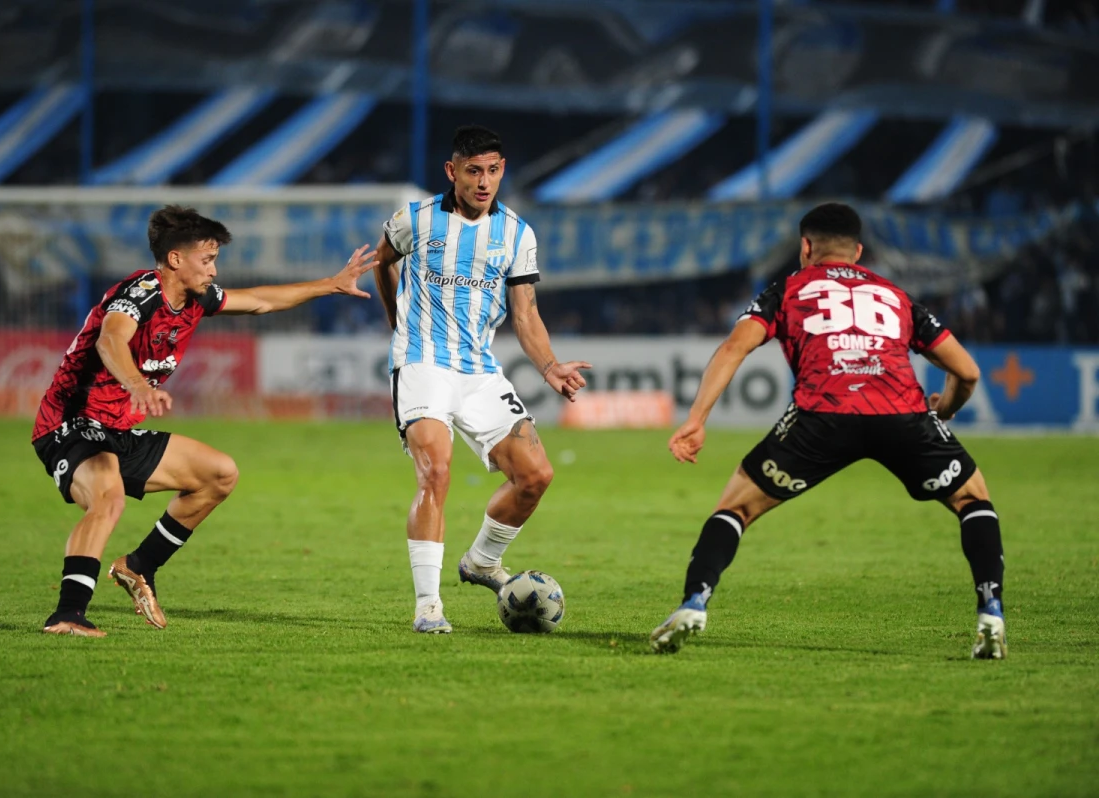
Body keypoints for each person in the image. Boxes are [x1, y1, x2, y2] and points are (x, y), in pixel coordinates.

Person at [651, 202, 1007, 659]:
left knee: (736, 508)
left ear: (804, 247)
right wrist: (946, 411)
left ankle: (695, 602)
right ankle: (990, 611)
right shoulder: (895, 296)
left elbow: (732, 349)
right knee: (972, 500)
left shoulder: (788, 290)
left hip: (822, 416)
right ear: (858, 251)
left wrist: (697, 420)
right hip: (901, 415)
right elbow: (968, 371)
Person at [33, 205, 377, 637]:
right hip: (70, 424)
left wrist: (331, 284)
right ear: (176, 259)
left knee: (219, 474)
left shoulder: (198, 298)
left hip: (117, 429)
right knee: (109, 497)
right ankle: (68, 613)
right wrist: (139, 385)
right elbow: (110, 339)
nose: (214, 270)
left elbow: (261, 301)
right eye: (208, 259)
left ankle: (139, 566)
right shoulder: (139, 293)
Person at [372, 125, 591, 633]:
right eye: (473, 171)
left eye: (493, 170)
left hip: (479, 370)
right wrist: (395, 320)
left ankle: (482, 561)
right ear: (453, 171)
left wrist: (549, 365)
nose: (484, 181)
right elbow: (382, 263)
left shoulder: (516, 233)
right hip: (423, 363)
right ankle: (428, 606)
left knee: (536, 476)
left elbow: (526, 312)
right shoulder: (416, 220)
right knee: (437, 472)